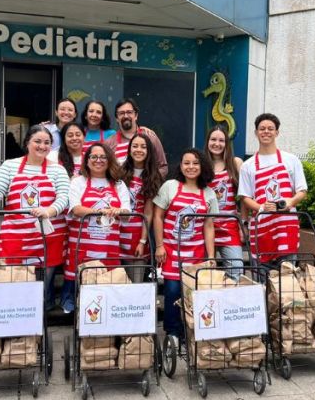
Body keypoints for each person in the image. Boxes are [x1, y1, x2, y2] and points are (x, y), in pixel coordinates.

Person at [0, 126, 70, 311]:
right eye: (37, 141)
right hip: (16, 235)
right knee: (16, 281)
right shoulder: (10, 166)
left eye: (47, 143)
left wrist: (49, 210)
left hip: (48, 236)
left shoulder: (58, 170)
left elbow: (64, 197)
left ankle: (43, 312)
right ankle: (18, 314)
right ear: (27, 142)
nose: (42, 146)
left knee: (44, 284)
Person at [153, 149, 218, 343]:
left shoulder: (209, 193)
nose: (191, 167)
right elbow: (158, 216)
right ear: (180, 166)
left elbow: (208, 226)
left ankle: (191, 330)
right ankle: (173, 332)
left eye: (195, 163)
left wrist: (211, 256)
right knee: (172, 291)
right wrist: (159, 246)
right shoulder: (170, 187)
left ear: (202, 166)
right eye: (186, 163)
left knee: (193, 293)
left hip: (196, 254)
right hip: (172, 251)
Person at [64, 142, 131, 313]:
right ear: (86, 161)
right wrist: (102, 211)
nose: (98, 160)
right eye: (94, 156)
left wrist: (118, 211)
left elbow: (127, 212)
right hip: (82, 246)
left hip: (108, 246)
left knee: (108, 285)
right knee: (77, 278)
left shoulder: (119, 184)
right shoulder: (78, 182)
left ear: (109, 160)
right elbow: (76, 209)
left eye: (103, 157)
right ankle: (72, 304)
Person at [238, 113, 307, 266]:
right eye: (262, 128)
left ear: (277, 132)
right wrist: (261, 207)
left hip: (286, 226)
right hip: (262, 229)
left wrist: (290, 202)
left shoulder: (291, 160)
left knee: (287, 279)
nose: (266, 131)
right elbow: (245, 197)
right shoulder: (247, 166)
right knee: (262, 279)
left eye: (270, 128)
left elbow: (302, 190)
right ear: (256, 133)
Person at [120, 133, 164, 282]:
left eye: (143, 147)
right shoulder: (118, 171)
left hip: (137, 236)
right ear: (129, 149)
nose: (139, 150)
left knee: (136, 284)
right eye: (135, 146)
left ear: (149, 151)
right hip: (115, 235)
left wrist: (142, 241)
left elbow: (148, 212)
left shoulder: (153, 176)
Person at [205, 125, 245, 278]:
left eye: (221, 140)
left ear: (227, 143)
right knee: (205, 273)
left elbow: (243, 196)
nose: (217, 143)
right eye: (213, 139)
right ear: (207, 142)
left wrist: (243, 225)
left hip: (230, 225)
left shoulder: (236, 163)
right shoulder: (201, 164)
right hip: (205, 225)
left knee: (236, 271)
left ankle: (231, 300)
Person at [109, 98, 167, 176]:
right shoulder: (109, 143)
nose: (126, 116)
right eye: (121, 113)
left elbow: (163, 167)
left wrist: (150, 181)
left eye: (129, 112)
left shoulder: (150, 137)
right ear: (116, 118)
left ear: (136, 115)